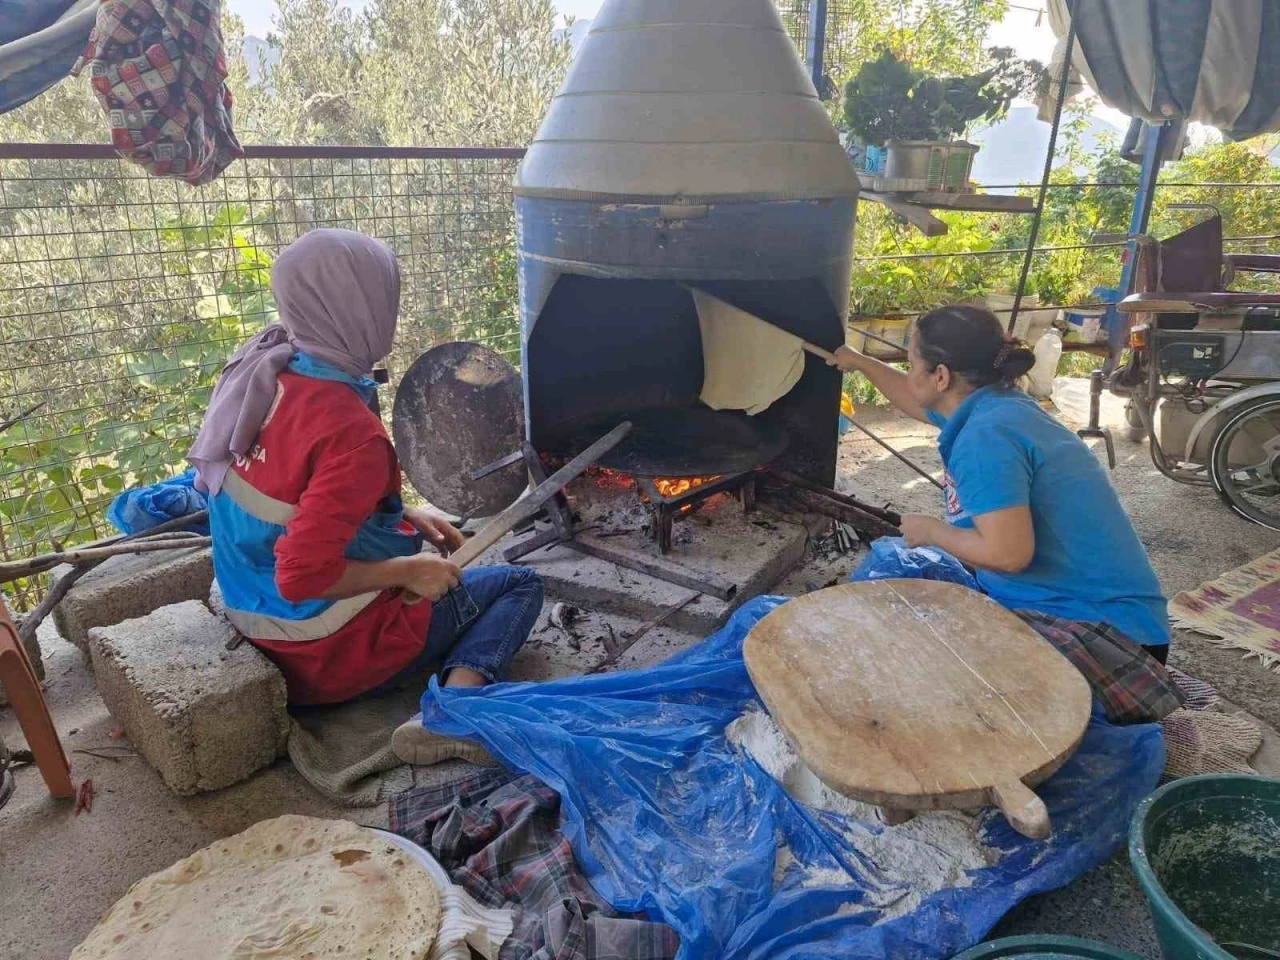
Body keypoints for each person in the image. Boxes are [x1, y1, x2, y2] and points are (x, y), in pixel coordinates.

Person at [188, 228, 543, 765]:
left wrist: (397, 512)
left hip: (251, 613)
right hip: (318, 651)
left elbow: (295, 497)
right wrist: (406, 571)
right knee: (519, 584)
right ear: (365, 308)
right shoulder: (350, 432)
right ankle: (453, 714)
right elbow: (301, 574)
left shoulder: (264, 372)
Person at [832, 304, 1181, 724]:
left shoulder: (985, 438)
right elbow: (915, 399)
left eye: (912, 365)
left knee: (919, 680)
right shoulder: (995, 404)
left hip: (1112, 641)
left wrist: (933, 531)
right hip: (1119, 619)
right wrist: (857, 361)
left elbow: (1009, 555)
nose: (909, 376)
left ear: (940, 376)